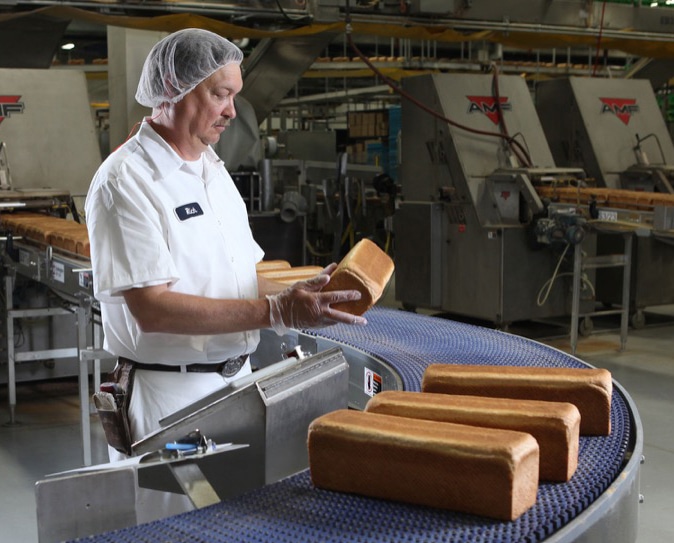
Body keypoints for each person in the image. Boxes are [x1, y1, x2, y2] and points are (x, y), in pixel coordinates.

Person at [84, 28, 366, 464]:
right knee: (177, 526)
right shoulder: (127, 180)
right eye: (221, 94)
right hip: (169, 401)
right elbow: (152, 308)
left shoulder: (211, 169)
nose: (233, 111)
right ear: (175, 90)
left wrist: (302, 296)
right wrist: (276, 312)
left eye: (235, 96)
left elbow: (240, 276)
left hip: (237, 388)